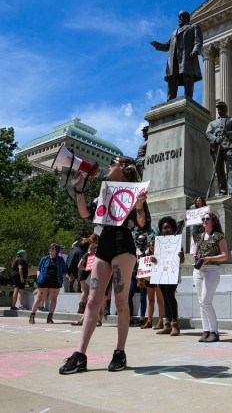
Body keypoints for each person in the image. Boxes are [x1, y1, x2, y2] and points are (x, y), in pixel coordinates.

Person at [59, 155, 150, 375]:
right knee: (92, 300)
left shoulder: (135, 192)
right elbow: (85, 213)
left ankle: (120, 352)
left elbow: (142, 224)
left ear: (123, 167)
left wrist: (138, 204)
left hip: (124, 243)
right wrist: (79, 190)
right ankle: (80, 355)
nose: (109, 165)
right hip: (105, 242)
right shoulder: (105, 191)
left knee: (120, 300)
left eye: (113, 162)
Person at [150, 10, 203, 101]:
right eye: (178, 17)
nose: (179, 18)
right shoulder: (174, 33)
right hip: (174, 59)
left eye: (181, 16)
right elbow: (167, 46)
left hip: (186, 56)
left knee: (188, 76)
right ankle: (170, 99)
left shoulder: (193, 27)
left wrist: (195, 50)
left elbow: (198, 41)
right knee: (172, 79)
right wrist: (157, 45)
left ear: (187, 17)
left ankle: (188, 98)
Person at [193, 212, 228, 343]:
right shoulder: (200, 237)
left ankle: (214, 332)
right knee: (201, 302)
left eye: (207, 219)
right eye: (203, 219)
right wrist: (196, 257)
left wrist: (208, 259)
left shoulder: (219, 236)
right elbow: (196, 252)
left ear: (214, 221)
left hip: (212, 270)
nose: (205, 221)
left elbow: (224, 255)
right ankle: (206, 331)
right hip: (198, 271)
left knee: (206, 301)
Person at [151, 216, 185, 337]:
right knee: (165, 297)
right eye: (164, 228)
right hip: (161, 273)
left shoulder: (176, 242)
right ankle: (167, 325)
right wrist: (153, 258)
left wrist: (181, 256)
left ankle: (175, 324)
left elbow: (183, 259)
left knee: (170, 295)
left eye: (168, 227)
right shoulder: (158, 242)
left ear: (172, 228)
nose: (166, 230)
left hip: (172, 273)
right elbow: (155, 258)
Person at [205, 101, 232, 196]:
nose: (219, 110)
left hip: (228, 146)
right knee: (219, 170)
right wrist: (216, 139)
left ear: (225, 109)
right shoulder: (212, 123)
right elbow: (208, 134)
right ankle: (223, 190)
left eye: (221, 108)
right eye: (218, 108)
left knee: (230, 168)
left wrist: (228, 134)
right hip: (216, 149)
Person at [29, 244, 67, 325]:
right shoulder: (44, 258)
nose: (50, 249)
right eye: (50, 248)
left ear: (56, 250)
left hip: (55, 281)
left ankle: (50, 317)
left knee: (53, 299)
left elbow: (64, 270)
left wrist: (62, 277)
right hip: (44, 280)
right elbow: (38, 269)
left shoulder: (60, 259)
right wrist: (39, 277)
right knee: (39, 298)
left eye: (52, 248)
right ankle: (32, 316)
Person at [140, 238, 165, 331]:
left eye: (153, 245)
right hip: (149, 278)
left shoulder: (161, 254)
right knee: (150, 300)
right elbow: (141, 259)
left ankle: (160, 321)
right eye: (150, 245)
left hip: (158, 278)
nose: (151, 246)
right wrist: (145, 255)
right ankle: (149, 321)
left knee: (159, 300)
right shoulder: (147, 254)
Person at [128, 232, 148, 326]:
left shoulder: (147, 251)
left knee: (143, 297)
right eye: (139, 240)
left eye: (142, 241)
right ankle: (130, 318)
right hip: (133, 276)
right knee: (128, 297)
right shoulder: (134, 250)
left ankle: (142, 319)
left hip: (143, 277)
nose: (140, 242)